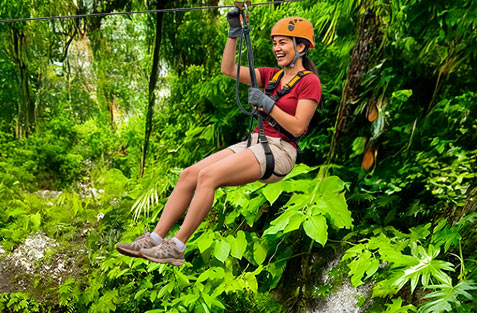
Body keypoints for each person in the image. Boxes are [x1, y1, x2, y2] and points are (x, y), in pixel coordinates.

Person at [115, 12, 322, 267]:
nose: (276, 48)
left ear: (300, 47)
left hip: (279, 152)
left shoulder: (310, 82)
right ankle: (155, 238)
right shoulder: (272, 75)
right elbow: (228, 69)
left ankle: (177, 247)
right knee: (189, 174)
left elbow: (299, 127)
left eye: (283, 43)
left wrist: (268, 104)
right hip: (256, 142)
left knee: (208, 177)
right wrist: (233, 33)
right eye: (274, 43)